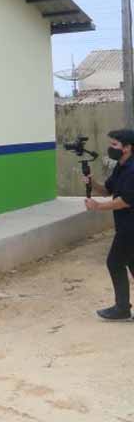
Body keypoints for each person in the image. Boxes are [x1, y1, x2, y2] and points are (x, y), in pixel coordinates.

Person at [82, 128, 134, 321]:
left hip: (130, 227)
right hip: (125, 225)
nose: (110, 147)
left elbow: (126, 200)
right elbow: (107, 190)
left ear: (127, 148)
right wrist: (92, 182)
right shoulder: (121, 166)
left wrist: (97, 207)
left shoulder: (132, 170)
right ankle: (122, 308)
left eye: (114, 144)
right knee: (131, 262)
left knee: (114, 262)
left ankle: (122, 309)